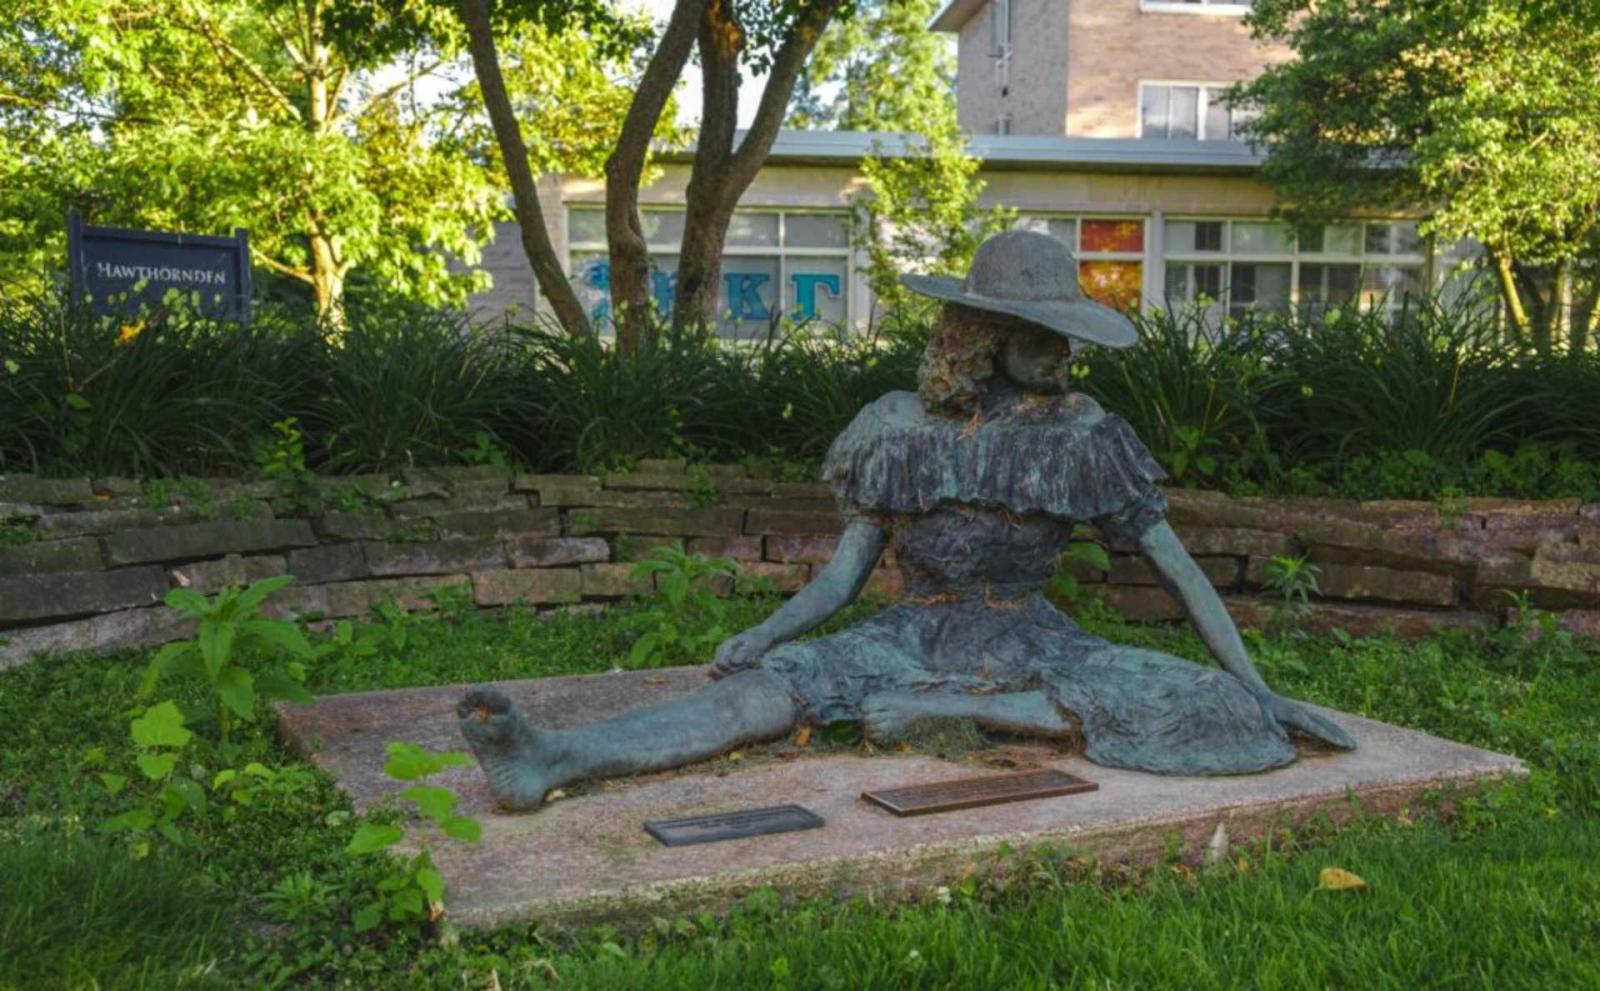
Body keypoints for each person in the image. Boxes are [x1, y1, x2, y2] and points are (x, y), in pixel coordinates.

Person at [457, 230, 1355, 811]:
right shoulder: (895, 427)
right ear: (984, 332)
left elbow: (1178, 569)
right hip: (910, 635)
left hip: (1034, 645)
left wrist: (1256, 679)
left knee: (1222, 710)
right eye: (1041, 330)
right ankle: (556, 756)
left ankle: (1003, 717)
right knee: (762, 691)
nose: (1063, 349)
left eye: (1065, 330)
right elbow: (845, 577)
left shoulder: (1085, 435)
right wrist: (764, 630)